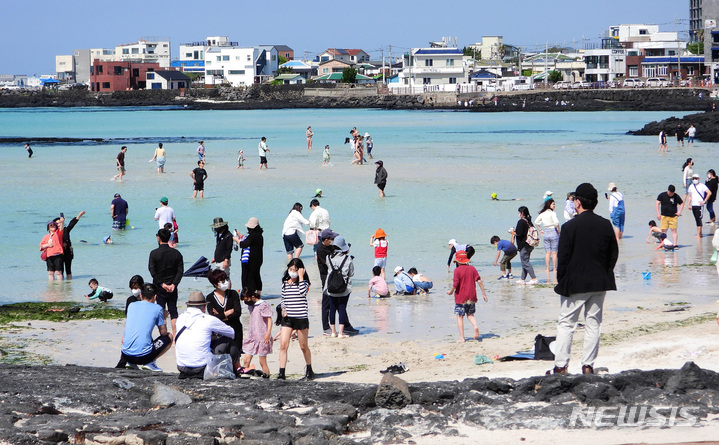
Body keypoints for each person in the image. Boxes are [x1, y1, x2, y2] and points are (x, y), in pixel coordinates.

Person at [550, 183, 618, 375]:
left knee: (566, 324)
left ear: (578, 202)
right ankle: (588, 366)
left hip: (575, 283)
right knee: (593, 323)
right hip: (599, 281)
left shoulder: (569, 227)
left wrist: (561, 280)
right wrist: (605, 272)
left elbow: (562, 259)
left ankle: (561, 366)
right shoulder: (605, 224)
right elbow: (613, 254)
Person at [175, 291, 240, 379]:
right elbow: (231, 333)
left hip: (181, 367)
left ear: (188, 306)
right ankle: (237, 369)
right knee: (228, 341)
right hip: (202, 368)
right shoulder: (208, 319)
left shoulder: (180, 318)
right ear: (204, 307)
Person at [117, 283, 172, 372]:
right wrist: (164, 319)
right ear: (155, 296)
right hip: (143, 357)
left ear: (141, 294)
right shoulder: (157, 308)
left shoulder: (132, 305)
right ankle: (150, 362)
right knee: (169, 336)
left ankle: (131, 364)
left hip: (126, 354)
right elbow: (163, 333)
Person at [278, 258, 314, 380]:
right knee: (283, 345)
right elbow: (283, 299)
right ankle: (281, 373)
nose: (292, 272)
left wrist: (301, 277)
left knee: (303, 346)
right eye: (291, 269)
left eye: (295, 270)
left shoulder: (304, 283)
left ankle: (309, 369)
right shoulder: (284, 283)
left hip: (301, 317)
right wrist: (283, 310)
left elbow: (302, 293)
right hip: (288, 319)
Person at [148, 228, 184, 336]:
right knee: (173, 311)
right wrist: (174, 284)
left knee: (161, 312)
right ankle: (175, 336)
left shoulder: (154, 253)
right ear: (169, 238)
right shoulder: (176, 253)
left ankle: (164, 337)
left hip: (159, 287)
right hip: (172, 287)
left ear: (158, 238)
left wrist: (162, 284)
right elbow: (180, 271)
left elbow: (152, 271)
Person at [446, 250, 488, 343]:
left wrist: (451, 291)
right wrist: (484, 294)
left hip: (461, 297)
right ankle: (475, 326)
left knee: (460, 316)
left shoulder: (457, 270)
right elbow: (479, 281)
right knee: (470, 314)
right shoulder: (472, 268)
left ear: (457, 261)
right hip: (472, 296)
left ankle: (462, 338)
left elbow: (456, 284)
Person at [205, 269, 243, 355]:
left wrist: (221, 316)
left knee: (236, 357)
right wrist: (227, 313)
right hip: (219, 332)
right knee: (220, 358)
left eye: (226, 279)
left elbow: (237, 312)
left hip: (235, 329)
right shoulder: (210, 298)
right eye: (222, 281)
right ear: (215, 284)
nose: (225, 282)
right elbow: (213, 317)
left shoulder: (233, 294)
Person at [324, 236, 354, 338]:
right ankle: (341, 333)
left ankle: (333, 332)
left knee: (332, 308)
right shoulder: (348, 259)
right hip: (343, 287)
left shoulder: (328, 258)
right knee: (342, 308)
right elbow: (351, 273)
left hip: (331, 287)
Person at [240, 288, 273, 379]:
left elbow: (269, 320)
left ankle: (267, 378)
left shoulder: (263, 305)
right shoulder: (251, 306)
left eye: (247, 299)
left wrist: (268, 333)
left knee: (262, 362)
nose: (246, 302)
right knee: (246, 360)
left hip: (262, 336)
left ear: (253, 297)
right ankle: (246, 378)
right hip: (252, 335)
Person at [510, 206, 539, 285]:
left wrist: (512, 232)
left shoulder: (521, 222)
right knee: (525, 262)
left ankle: (534, 278)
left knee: (525, 263)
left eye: (519, 213)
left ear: (522, 213)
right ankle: (522, 279)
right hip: (529, 244)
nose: (519, 214)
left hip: (524, 245)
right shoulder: (528, 221)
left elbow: (519, 233)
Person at [535, 198, 561, 282]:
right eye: (553, 204)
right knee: (554, 252)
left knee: (547, 252)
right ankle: (554, 269)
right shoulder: (552, 213)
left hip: (546, 232)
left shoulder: (542, 213)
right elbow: (556, 222)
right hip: (553, 231)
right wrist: (559, 230)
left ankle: (547, 268)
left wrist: (540, 230)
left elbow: (536, 222)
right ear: (549, 205)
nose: (554, 206)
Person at [239, 217, 264, 297]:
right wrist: (240, 236)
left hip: (251, 261)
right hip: (258, 259)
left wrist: (236, 239)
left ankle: (249, 294)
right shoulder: (260, 236)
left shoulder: (252, 236)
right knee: (256, 275)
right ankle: (258, 294)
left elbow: (243, 244)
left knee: (248, 277)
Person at [57, 210, 85, 279]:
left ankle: (69, 287)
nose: (59, 224)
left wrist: (79, 216)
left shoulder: (66, 229)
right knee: (61, 271)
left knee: (68, 270)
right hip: (59, 252)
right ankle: (62, 286)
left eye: (60, 222)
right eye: (57, 223)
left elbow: (72, 224)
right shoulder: (55, 232)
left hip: (68, 252)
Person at [687, 173, 712, 239]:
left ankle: (698, 234)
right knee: (696, 219)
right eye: (693, 178)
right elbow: (690, 196)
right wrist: (688, 204)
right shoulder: (691, 186)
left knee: (698, 219)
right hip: (693, 205)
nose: (694, 180)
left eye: (696, 178)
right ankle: (700, 233)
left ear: (699, 179)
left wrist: (704, 201)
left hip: (699, 205)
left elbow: (709, 193)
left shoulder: (702, 186)